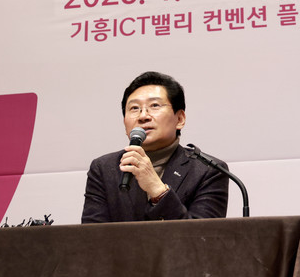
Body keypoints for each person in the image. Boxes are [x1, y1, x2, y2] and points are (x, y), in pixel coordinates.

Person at [81, 71, 229, 222]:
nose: (143, 116)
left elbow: (202, 234)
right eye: (134, 108)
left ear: (180, 119)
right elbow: (92, 234)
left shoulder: (208, 170)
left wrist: (157, 190)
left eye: (154, 105)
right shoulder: (104, 168)